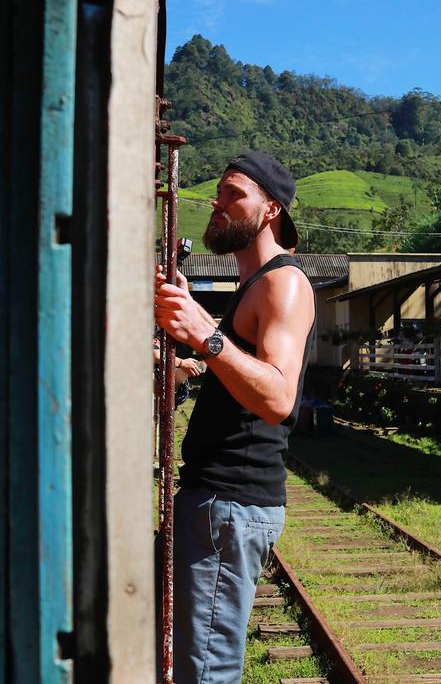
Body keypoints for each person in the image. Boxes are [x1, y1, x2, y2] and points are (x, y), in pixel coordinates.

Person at [154, 150, 316, 684]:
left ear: (270, 210)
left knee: (205, 674)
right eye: (218, 193)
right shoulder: (254, 285)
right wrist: (186, 366)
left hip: (231, 503)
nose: (218, 204)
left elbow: (276, 397)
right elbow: (238, 371)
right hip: (215, 502)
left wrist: (205, 333)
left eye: (233, 194)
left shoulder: (283, 282)